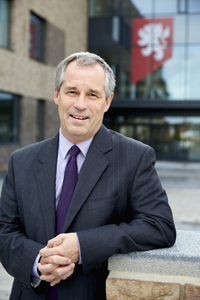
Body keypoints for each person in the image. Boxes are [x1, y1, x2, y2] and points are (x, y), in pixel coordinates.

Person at [0, 52, 176, 300]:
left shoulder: (135, 157)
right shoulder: (21, 161)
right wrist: (37, 261)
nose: (80, 104)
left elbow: (160, 226)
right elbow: (4, 230)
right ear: (56, 95)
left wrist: (82, 246)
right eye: (72, 92)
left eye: (92, 94)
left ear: (107, 101)